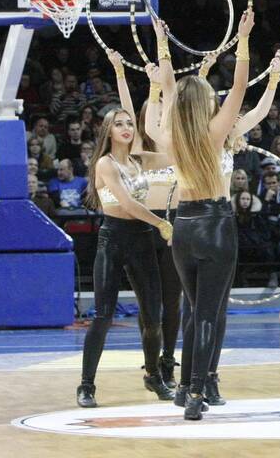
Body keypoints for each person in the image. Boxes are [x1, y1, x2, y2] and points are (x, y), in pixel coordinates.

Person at [157, 9, 254, 421]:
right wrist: (244, 37)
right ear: (205, 105)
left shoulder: (167, 132)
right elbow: (240, 84)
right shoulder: (216, 133)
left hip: (183, 227)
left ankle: (183, 388)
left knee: (193, 310)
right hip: (215, 224)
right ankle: (197, 392)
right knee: (209, 314)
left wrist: (162, 44)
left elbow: (166, 86)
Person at [76, 109, 176, 409]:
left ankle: (153, 375)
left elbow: (177, 156)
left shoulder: (139, 160)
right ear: (108, 130)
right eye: (119, 124)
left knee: (153, 316)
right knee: (103, 315)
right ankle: (86, 385)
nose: (126, 128)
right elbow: (129, 203)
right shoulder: (105, 164)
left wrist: (223, 143)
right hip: (113, 239)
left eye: (130, 123)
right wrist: (161, 223)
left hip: (141, 239)